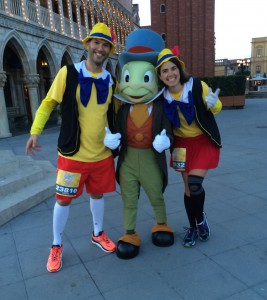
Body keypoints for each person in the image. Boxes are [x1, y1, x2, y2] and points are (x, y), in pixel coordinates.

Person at [25, 23, 117, 273]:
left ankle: (98, 233)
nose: (100, 48)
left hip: (101, 155)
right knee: (63, 201)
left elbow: (114, 113)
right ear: (87, 45)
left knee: (97, 195)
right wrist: (35, 131)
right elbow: (47, 103)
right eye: (96, 42)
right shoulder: (68, 73)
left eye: (105, 44)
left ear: (109, 50)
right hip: (72, 154)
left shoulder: (111, 79)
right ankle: (56, 246)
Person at [104, 29, 174, 259]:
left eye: (144, 79)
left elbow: (171, 130)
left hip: (151, 158)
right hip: (128, 159)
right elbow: (114, 129)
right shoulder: (122, 110)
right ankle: (130, 233)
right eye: (128, 79)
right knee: (129, 197)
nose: (134, 86)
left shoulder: (162, 107)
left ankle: (161, 224)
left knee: (156, 193)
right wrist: (111, 141)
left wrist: (166, 141)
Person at [155, 47, 222, 248]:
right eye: (164, 70)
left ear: (180, 69)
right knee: (187, 190)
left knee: (194, 184)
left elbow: (214, 108)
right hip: (180, 146)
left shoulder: (196, 86)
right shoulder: (161, 97)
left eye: (173, 68)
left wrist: (214, 104)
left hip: (202, 142)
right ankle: (193, 227)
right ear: (160, 75)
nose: (170, 73)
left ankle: (200, 220)